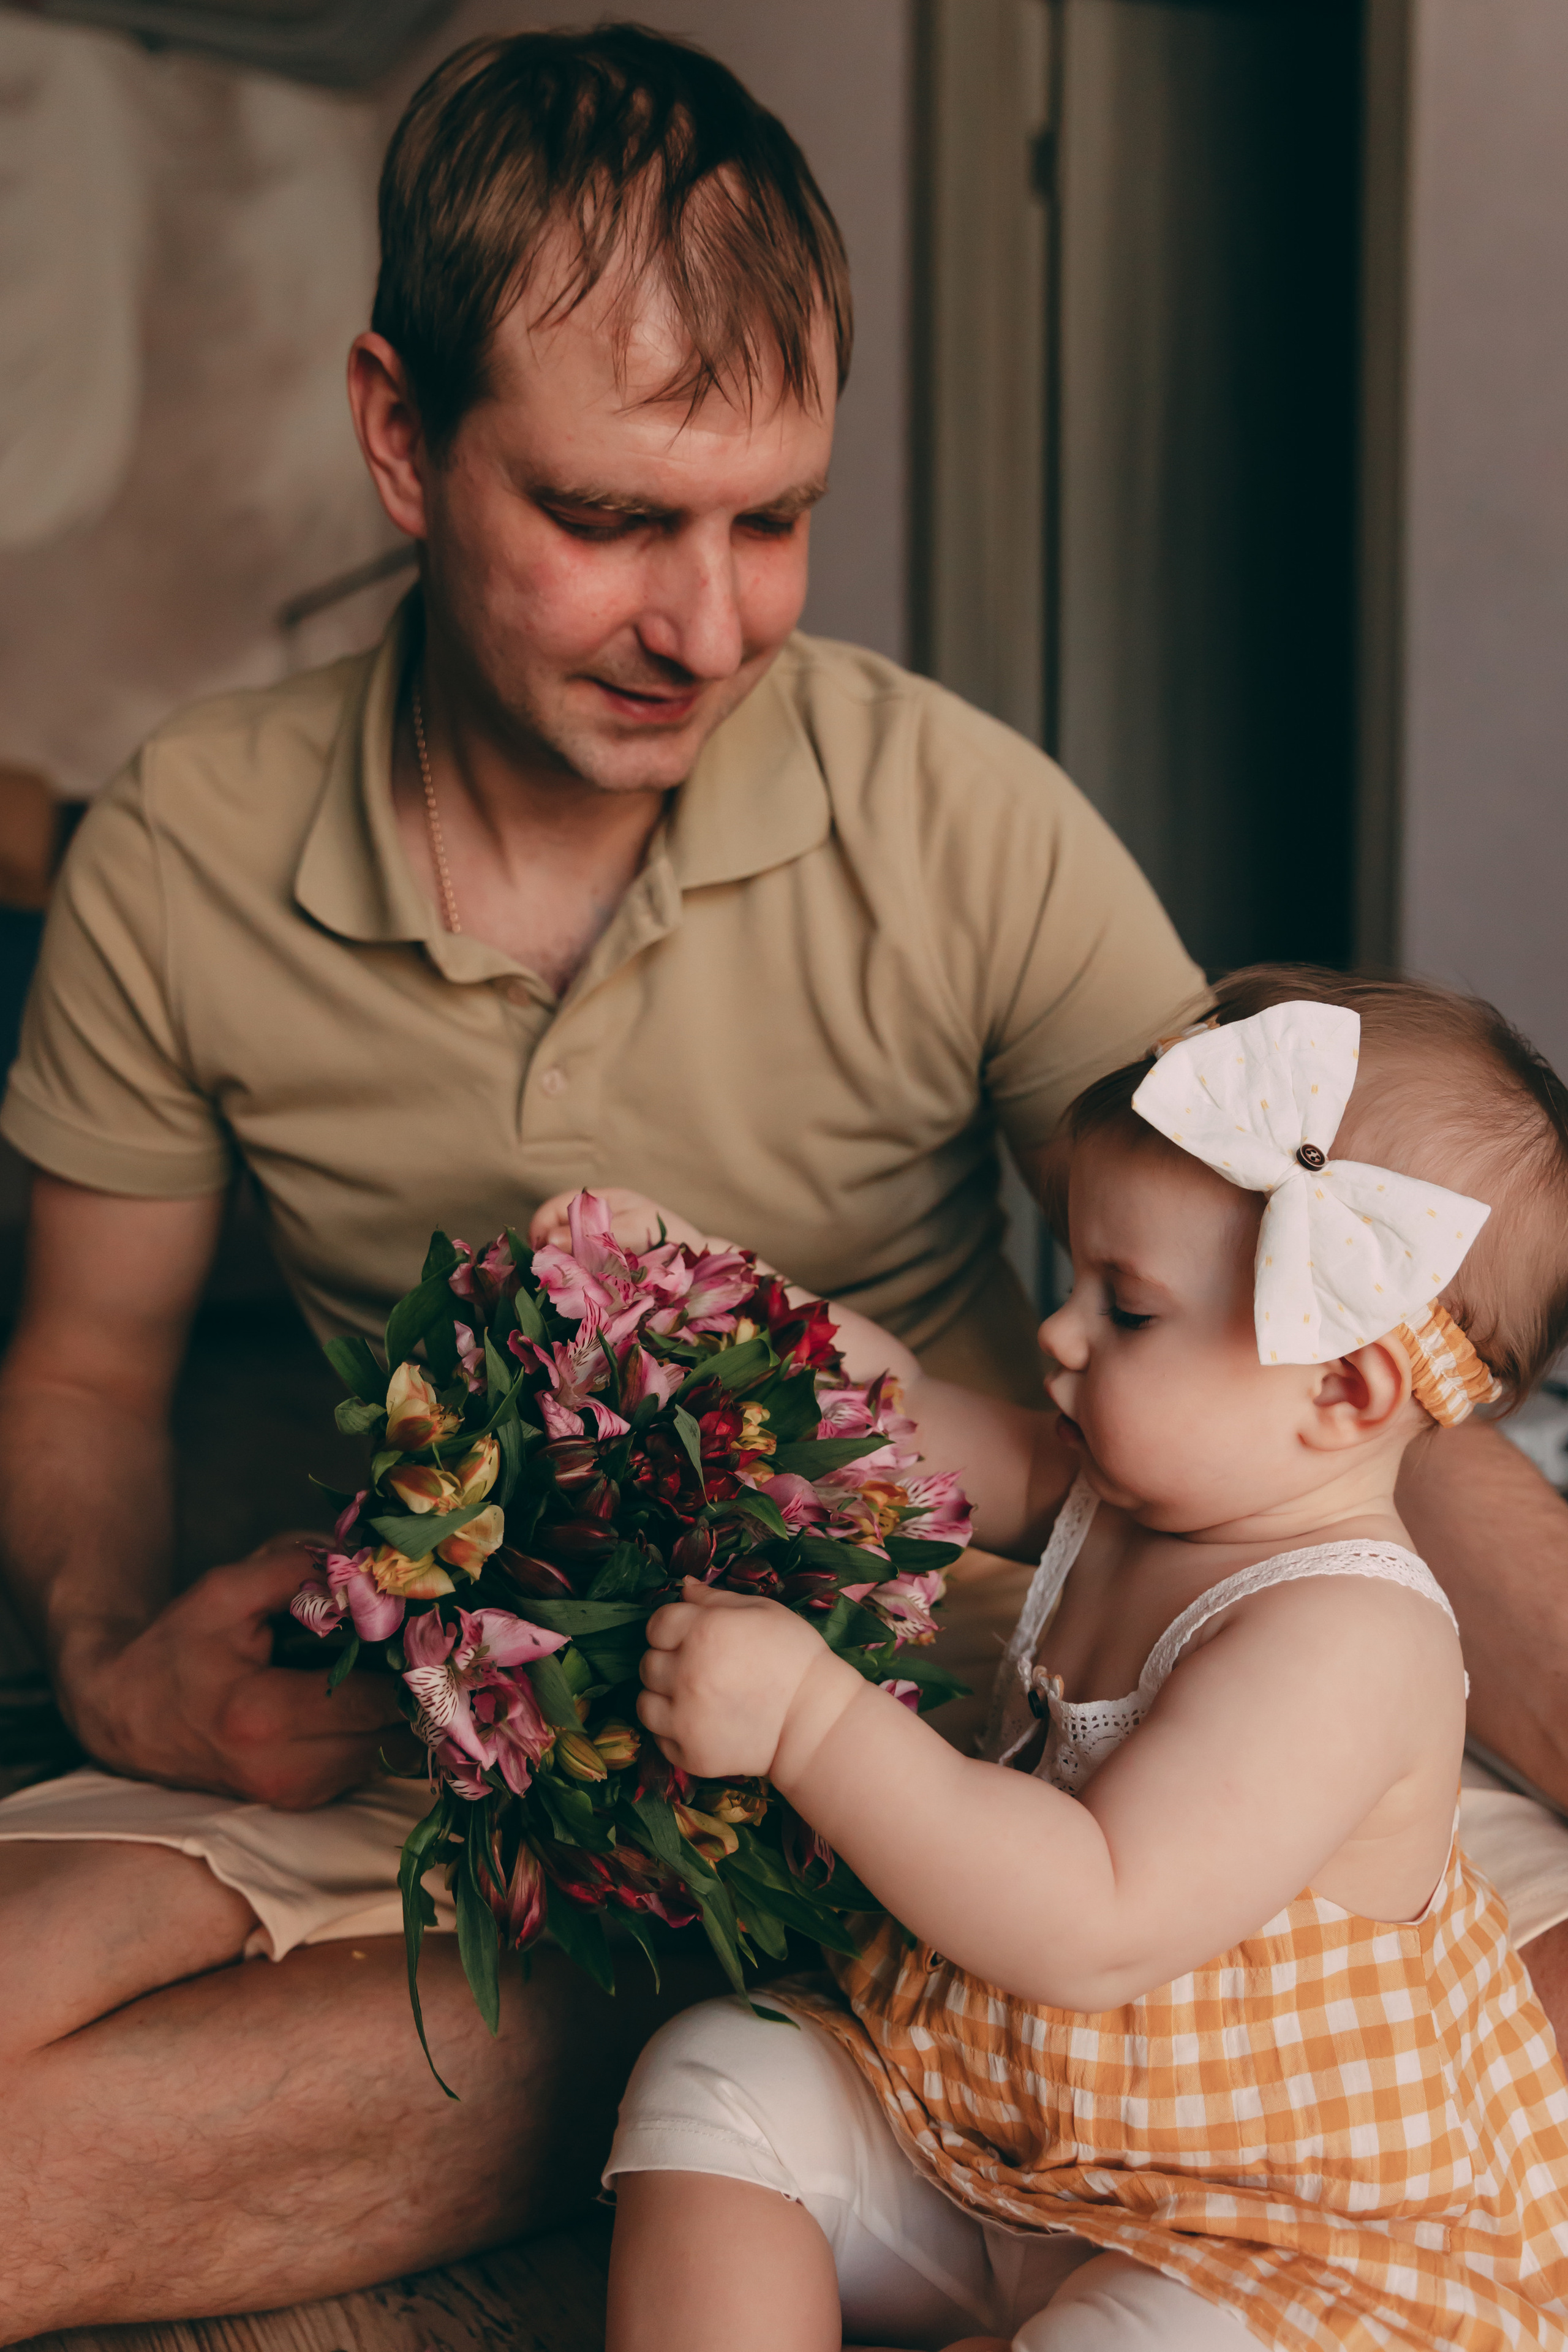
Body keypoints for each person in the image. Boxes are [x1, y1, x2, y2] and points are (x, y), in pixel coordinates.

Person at [0, 21, 1564, 2339]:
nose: (710, 625)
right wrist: (124, 1666)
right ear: (400, 438)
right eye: (612, 518)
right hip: (472, 1716)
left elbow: (1311, 1312)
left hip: (970, 1741)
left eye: (773, 518)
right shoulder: (182, 853)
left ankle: (772, 2052)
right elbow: (92, 1361)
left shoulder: (962, 814)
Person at [602, 969, 1568, 2352]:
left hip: (1258, 2232)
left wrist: (811, 1722)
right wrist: (721, 1308)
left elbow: (1091, 1915)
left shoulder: (1345, 1639)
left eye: (1124, 1309)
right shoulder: (1117, 1488)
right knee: (716, 2077)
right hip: (996, 2119)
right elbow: (894, 1430)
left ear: (1339, 1391)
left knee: (1117, 2342)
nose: (1056, 1333)